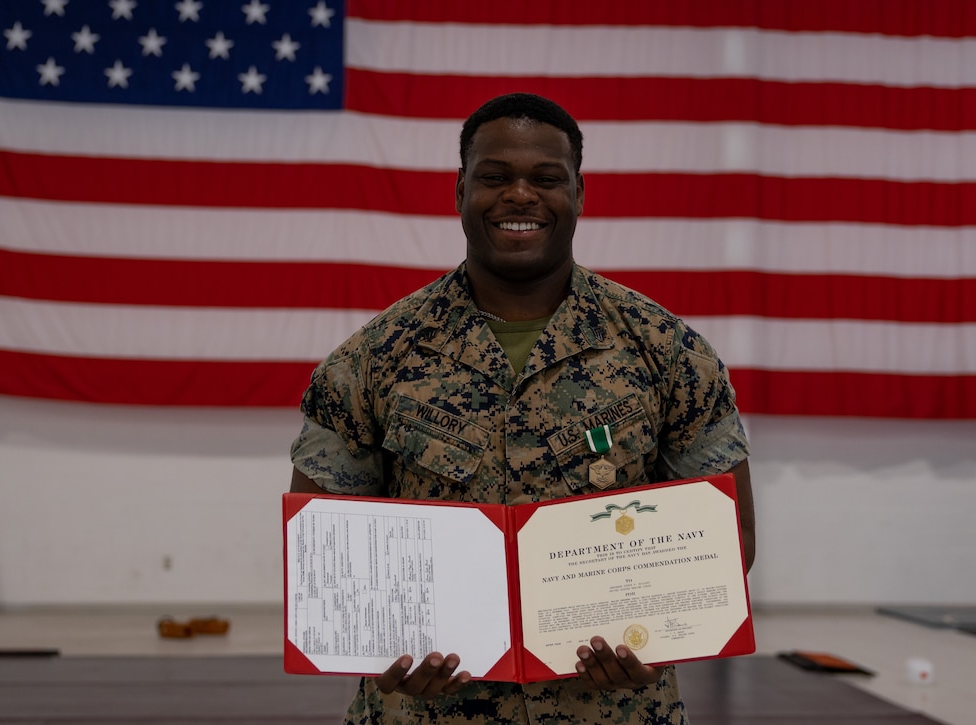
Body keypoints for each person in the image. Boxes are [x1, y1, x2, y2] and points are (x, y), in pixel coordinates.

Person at [289, 92, 755, 725]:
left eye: (545, 178)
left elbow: (731, 536)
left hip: (610, 710)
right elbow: (323, 551)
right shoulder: (372, 359)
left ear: (580, 194)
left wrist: (666, 633)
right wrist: (377, 647)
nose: (519, 196)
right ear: (459, 191)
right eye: (494, 177)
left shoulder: (667, 351)